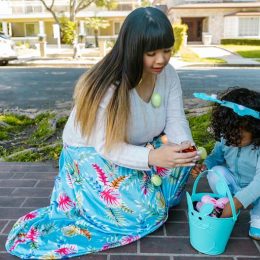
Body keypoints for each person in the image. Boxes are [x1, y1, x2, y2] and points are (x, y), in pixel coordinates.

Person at [6, 7, 200, 259]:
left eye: (167, 50)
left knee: (180, 160)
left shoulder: (168, 75)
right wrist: (152, 158)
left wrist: (187, 147)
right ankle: (131, 194)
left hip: (141, 144)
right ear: (132, 49)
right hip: (93, 154)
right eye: (151, 53)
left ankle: (145, 185)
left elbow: (175, 119)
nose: (161, 60)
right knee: (146, 213)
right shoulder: (109, 87)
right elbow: (108, 148)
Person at [192, 87, 260, 240]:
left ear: (255, 128)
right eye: (229, 132)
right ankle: (226, 205)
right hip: (236, 185)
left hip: (258, 191)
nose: (232, 138)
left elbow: (258, 183)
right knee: (216, 172)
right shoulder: (227, 137)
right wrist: (206, 166)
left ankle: (255, 213)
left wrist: (237, 203)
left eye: (239, 133)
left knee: (257, 232)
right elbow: (216, 157)